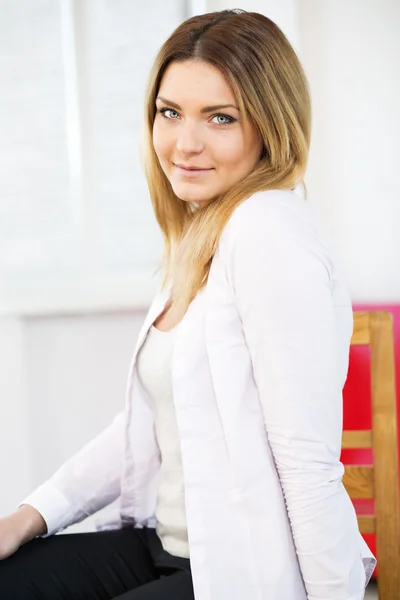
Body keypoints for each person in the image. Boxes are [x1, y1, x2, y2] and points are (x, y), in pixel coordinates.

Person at [0, 8, 376, 600]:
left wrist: (336, 594)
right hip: (167, 545)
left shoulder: (266, 231)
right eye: (170, 112)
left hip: (237, 572)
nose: (185, 143)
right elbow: (147, 424)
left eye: (220, 118)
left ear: (270, 128)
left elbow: (306, 458)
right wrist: (28, 516)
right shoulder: (207, 229)